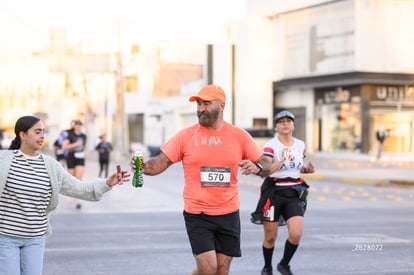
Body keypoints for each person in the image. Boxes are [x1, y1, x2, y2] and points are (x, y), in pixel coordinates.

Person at [129, 85, 272, 275]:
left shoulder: (238, 136)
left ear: (221, 105)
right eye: (198, 104)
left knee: (221, 270)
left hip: (228, 213)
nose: (200, 109)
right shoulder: (186, 136)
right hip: (198, 214)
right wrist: (144, 167)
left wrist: (258, 167)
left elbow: (266, 164)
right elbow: (159, 163)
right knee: (208, 268)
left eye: (206, 103)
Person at [0, 115, 130, 275]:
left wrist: (107, 183)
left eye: (44, 132)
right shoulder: (4, 160)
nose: (42, 136)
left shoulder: (50, 165)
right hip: (5, 237)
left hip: (35, 238)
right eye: (37, 132)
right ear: (22, 135)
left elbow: (78, 187)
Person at [250, 110, 315, 275]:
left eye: (288, 121)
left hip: (294, 193)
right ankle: (267, 267)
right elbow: (267, 170)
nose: (285, 124)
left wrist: (306, 169)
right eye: (281, 122)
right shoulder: (271, 146)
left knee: (296, 234)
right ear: (276, 127)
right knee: (270, 237)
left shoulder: (300, 145)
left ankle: (284, 264)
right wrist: (282, 160)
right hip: (274, 194)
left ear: (293, 125)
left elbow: (296, 167)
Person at [61, 119, 87, 209]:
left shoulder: (84, 136)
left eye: (80, 125)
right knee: (72, 178)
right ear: (74, 126)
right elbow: (64, 147)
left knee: (79, 179)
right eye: (77, 124)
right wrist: (76, 144)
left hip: (80, 158)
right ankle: (71, 193)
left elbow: (84, 146)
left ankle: (78, 199)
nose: (79, 126)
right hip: (71, 157)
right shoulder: (70, 135)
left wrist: (83, 148)